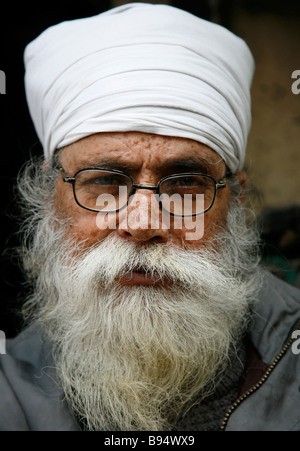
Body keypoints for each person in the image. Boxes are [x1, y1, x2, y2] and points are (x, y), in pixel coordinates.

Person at [1, 3, 300, 432]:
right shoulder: (9, 390)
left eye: (185, 183)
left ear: (235, 201)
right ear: (52, 200)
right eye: (105, 181)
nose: (142, 223)